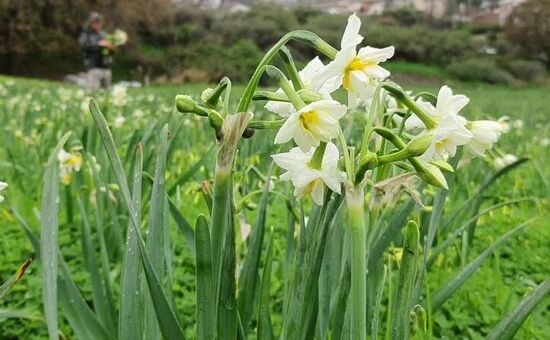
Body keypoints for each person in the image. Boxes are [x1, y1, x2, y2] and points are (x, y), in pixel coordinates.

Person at [79, 12, 115, 90]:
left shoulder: (104, 34)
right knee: (92, 92)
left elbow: (111, 52)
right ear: (90, 23)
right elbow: (85, 46)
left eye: (99, 22)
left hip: (106, 67)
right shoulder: (86, 34)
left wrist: (111, 48)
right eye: (95, 22)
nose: (98, 24)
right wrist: (98, 44)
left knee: (107, 93)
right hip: (93, 67)